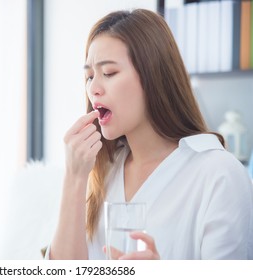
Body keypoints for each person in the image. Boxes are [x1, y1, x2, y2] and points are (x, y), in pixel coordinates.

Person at [46, 9, 253, 260]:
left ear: (153, 77)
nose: (94, 89)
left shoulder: (219, 174)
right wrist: (74, 178)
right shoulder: (102, 171)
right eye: (89, 76)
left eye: (109, 73)